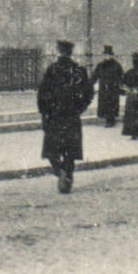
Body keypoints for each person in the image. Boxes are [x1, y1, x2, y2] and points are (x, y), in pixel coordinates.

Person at [38, 40, 95, 193]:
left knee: (51, 150)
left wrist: (45, 113)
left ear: (59, 52)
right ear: (71, 53)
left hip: (54, 116)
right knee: (70, 151)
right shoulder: (78, 70)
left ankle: (59, 171)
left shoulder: (52, 70)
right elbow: (89, 93)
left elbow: (42, 94)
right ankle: (66, 178)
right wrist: (79, 108)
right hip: (71, 116)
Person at [92, 46, 124, 127]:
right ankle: (107, 119)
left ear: (111, 56)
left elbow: (121, 76)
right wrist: (90, 83)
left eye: (108, 55)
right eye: (105, 55)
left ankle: (111, 120)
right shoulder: (100, 65)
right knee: (105, 104)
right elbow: (95, 76)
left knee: (112, 104)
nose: (107, 57)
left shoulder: (116, 65)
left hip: (113, 87)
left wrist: (120, 84)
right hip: (103, 87)